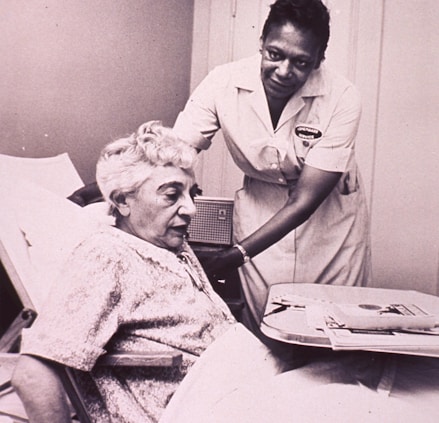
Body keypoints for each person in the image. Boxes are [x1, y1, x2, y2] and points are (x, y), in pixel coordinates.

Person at [10, 121, 286, 422]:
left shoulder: (171, 245)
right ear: (121, 201)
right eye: (171, 195)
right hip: (200, 408)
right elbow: (32, 375)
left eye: (191, 194)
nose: (190, 209)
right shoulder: (107, 256)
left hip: (247, 395)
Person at [172, 0, 371, 338]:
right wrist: (108, 186)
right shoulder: (223, 82)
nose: (283, 70)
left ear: (319, 59)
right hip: (260, 208)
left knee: (334, 334)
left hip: (328, 221)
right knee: (265, 331)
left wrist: (236, 255)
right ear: (261, 41)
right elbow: (175, 152)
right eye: (275, 54)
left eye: (301, 62)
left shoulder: (342, 97)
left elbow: (304, 201)